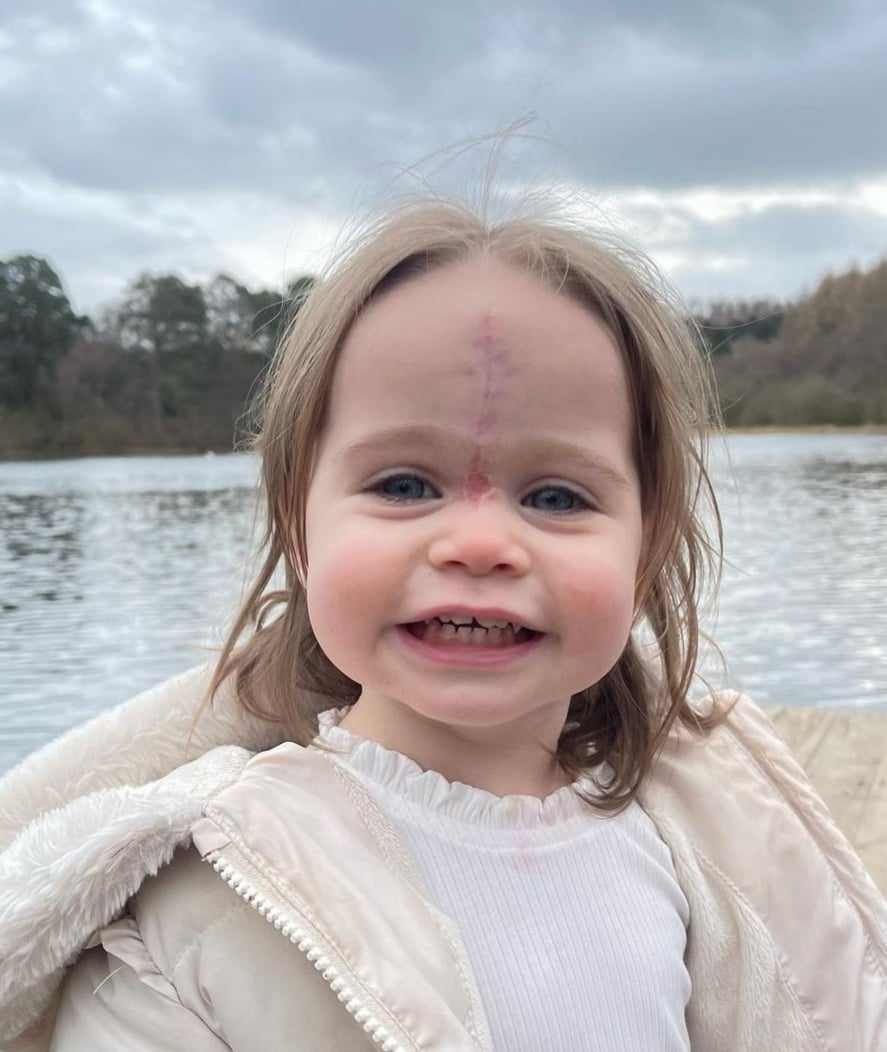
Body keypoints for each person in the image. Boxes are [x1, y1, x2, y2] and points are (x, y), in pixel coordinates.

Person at [1, 193, 885, 1052]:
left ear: (644, 553)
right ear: (300, 531)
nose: (478, 544)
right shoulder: (205, 891)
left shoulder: (710, 852)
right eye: (402, 485)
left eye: (556, 496)